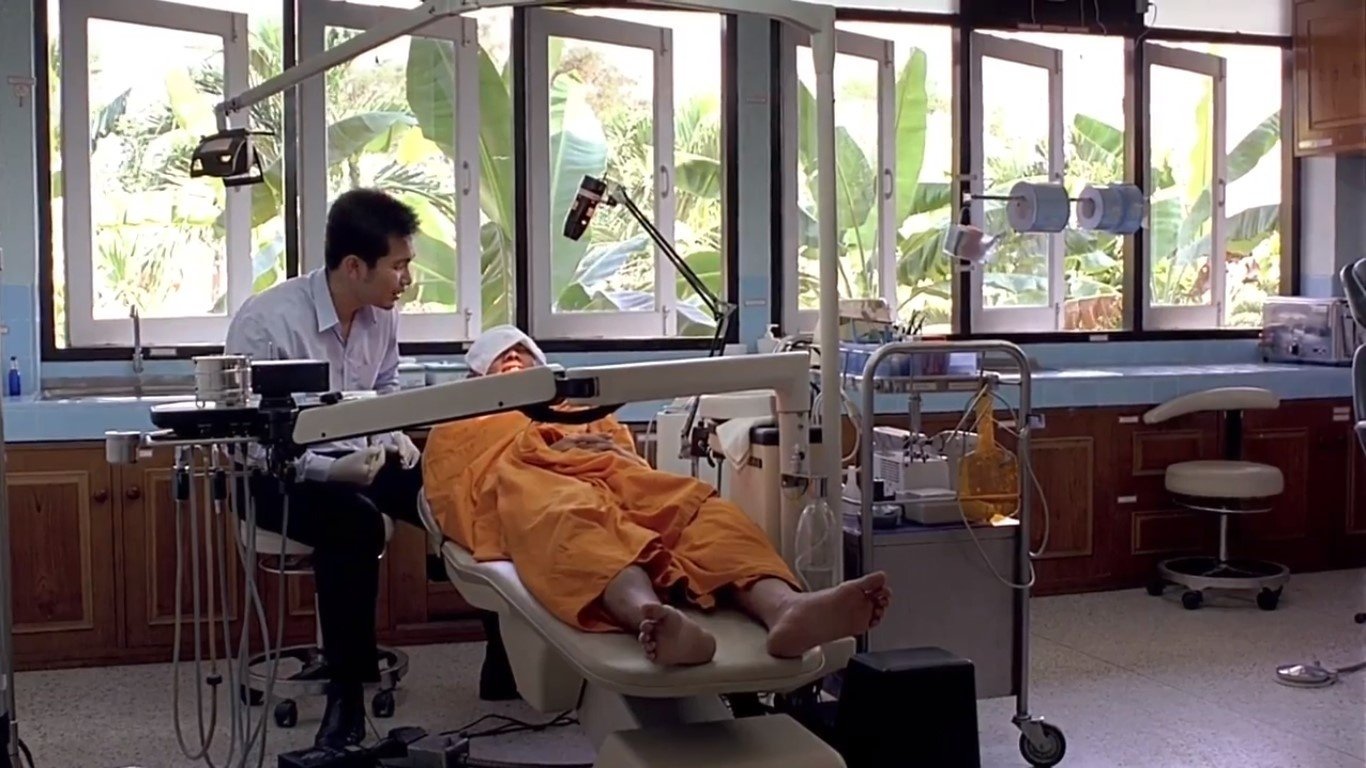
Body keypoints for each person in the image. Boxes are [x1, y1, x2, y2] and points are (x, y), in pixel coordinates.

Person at [423, 326, 891, 668]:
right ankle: (651, 615)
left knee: (699, 510)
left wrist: (596, 448)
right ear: (477, 377)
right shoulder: (464, 416)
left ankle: (785, 607)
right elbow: (457, 486)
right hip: (530, 484)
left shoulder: (576, 404)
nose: (513, 363)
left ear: (543, 368)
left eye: (522, 356)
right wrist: (541, 449)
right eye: (501, 360)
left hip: (615, 478)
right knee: (571, 519)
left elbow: (624, 456)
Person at [224, 188, 425, 749]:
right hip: (274, 477)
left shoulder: (382, 316)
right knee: (353, 521)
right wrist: (325, 470)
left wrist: (394, 437)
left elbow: (384, 386)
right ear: (354, 267)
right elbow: (246, 440)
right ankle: (346, 696)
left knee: (451, 490)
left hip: (361, 456)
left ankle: (502, 652)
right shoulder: (268, 321)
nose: (406, 280)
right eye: (398, 266)